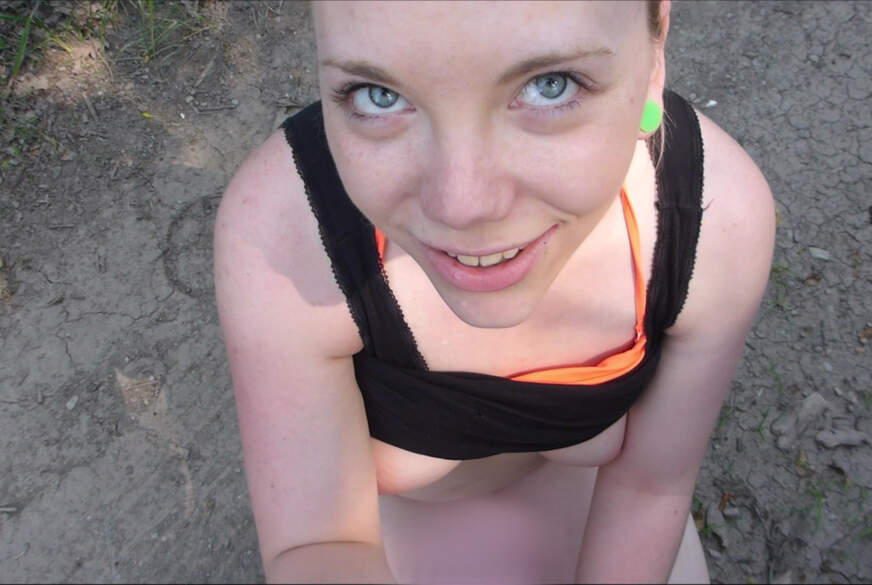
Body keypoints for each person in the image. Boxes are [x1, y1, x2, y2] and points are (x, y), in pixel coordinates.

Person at [213, 1, 775, 582]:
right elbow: (317, 541)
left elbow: (651, 489)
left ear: (654, 51)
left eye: (551, 85)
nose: (462, 207)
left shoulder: (713, 223)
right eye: (377, 95)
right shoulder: (286, 230)